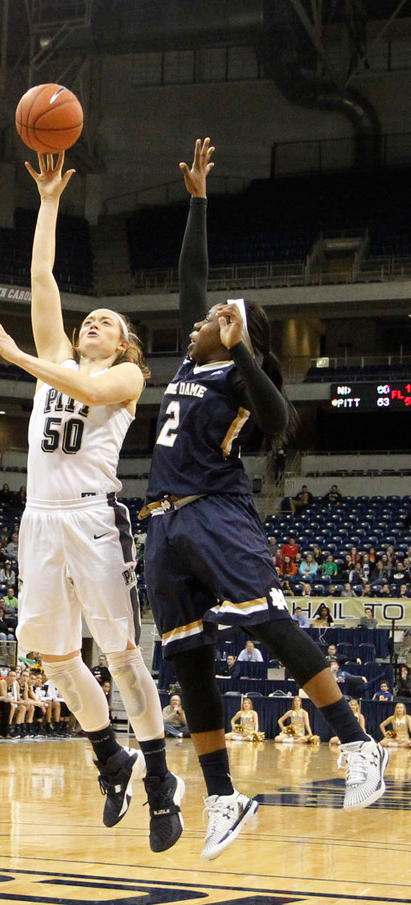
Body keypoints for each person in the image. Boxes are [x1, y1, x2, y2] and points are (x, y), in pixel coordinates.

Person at [142, 138, 387, 861]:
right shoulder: (194, 357)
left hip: (216, 512)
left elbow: (281, 422)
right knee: (186, 662)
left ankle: (355, 741)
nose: (200, 317)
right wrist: (196, 201)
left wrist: (239, 341)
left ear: (238, 334)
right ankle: (223, 796)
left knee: (268, 625)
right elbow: (192, 277)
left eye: (219, 317)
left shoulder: (238, 381)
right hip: (160, 523)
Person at [0, 151, 182, 854]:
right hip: (39, 519)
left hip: (94, 518)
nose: (91, 320)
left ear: (124, 343)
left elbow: (91, 395)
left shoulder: (123, 376)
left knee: (122, 656)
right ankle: (109, 758)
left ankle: (158, 779)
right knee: (53, 657)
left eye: (105, 320)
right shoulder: (55, 357)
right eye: (86, 317)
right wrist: (49, 202)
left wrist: (20, 361)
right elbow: (41, 276)